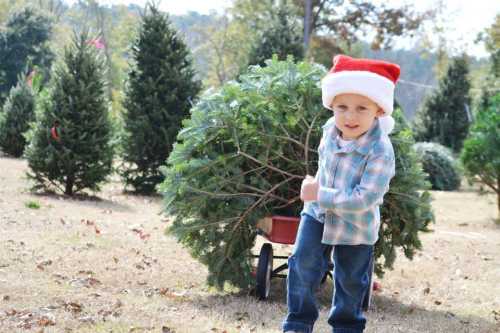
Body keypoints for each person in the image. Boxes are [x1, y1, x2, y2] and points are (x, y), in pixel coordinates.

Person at [282, 54, 400, 333]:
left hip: (356, 227)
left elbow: (364, 198)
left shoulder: (380, 151)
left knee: (350, 281)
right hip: (317, 214)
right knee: (302, 266)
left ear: (379, 111)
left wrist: (319, 192)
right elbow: (326, 166)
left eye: (361, 108)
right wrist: (315, 183)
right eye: (342, 106)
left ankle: (346, 328)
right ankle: (297, 325)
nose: (349, 116)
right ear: (331, 105)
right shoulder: (329, 130)